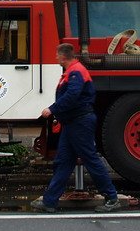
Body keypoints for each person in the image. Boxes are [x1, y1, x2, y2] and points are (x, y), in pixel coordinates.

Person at [31, 43, 121, 213]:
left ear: (63, 56)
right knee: (63, 161)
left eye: (57, 55)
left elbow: (72, 95)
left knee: (89, 158)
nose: (56, 58)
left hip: (79, 122)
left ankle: (111, 197)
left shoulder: (75, 71)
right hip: (73, 123)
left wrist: (52, 109)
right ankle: (50, 202)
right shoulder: (72, 72)